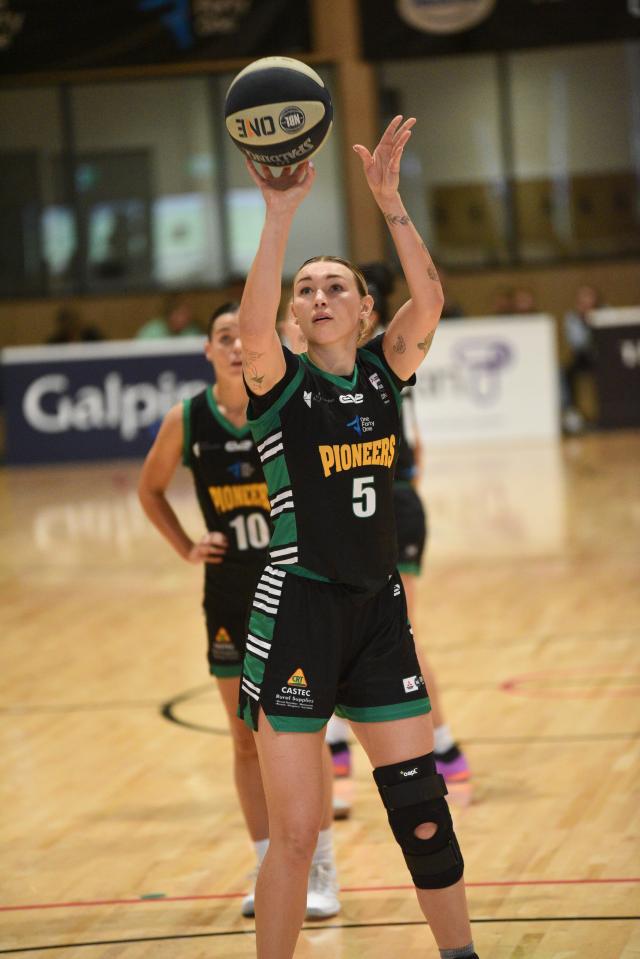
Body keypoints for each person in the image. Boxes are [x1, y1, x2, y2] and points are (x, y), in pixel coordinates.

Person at [237, 116, 478, 959]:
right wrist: (279, 214)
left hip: (378, 613)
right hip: (297, 613)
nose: (319, 297)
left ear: (367, 309)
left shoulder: (383, 372)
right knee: (297, 833)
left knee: (421, 809)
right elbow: (254, 328)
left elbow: (432, 300)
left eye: (336, 285)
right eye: (306, 289)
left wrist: (390, 202)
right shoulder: (279, 381)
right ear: (294, 315)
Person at [137, 303, 340, 920]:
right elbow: (150, 489)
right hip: (228, 593)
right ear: (207, 350)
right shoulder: (188, 419)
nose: (233, 347)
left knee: (303, 735)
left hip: (295, 588)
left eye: (240, 336)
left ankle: (322, 870)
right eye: (222, 338)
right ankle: (267, 865)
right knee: (246, 740)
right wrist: (186, 546)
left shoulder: (285, 403)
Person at [359, 263, 471, 790]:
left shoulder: (383, 358)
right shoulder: (338, 362)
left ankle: (443, 746)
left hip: (390, 502)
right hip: (378, 501)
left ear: (368, 307)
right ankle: (338, 745)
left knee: (399, 632)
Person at [561, 283, 602, 434]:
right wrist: (586, 322)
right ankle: (573, 411)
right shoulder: (572, 317)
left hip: (604, 357)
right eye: (582, 298)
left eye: (589, 297)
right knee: (567, 372)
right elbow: (576, 342)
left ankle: (609, 410)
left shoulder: (605, 312)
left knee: (608, 373)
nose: (586, 301)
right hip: (583, 357)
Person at [136, 293, 202, 339]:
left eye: (187, 313)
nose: (187, 317)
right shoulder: (152, 331)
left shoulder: (192, 331)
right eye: (181, 313)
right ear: (171, 314)